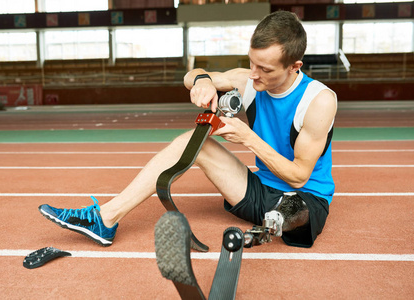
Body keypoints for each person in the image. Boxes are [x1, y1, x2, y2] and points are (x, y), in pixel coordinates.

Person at [39, 10, 337, 248]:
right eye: (251, 63)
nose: (254, 74)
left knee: (294, 209)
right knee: (193, 142)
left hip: (305, 201)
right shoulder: (248, 79)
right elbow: (192, 74)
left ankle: (270, 227)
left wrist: (248, 137)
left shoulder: (318, 101)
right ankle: (105, 218)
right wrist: (203, 82)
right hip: (261, 191)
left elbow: (299, 176)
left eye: (265, 69)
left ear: (294, 66)